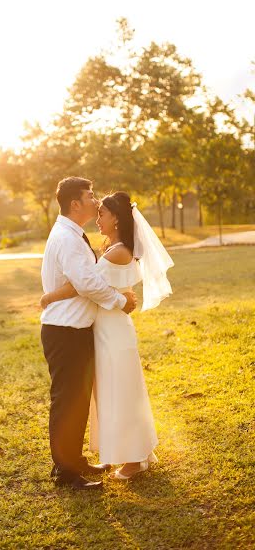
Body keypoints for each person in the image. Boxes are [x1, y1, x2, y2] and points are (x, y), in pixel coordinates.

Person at [41, 190, 174, 481]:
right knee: (113, 394)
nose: (98, 217)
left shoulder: (118, 251)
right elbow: (90, 283)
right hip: (104, 331)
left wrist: (50, 296)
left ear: (116, 218)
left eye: (102, 213)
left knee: (122, 394)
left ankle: (135, 458)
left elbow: (84, 285)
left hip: (113, 333)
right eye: (97, 210)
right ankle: (128, 453)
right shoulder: (112, 247)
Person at [40, 178, 137, 490]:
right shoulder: (67, 238)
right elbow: (87, 283)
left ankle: (74, 461)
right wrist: (120, 300)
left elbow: (84, 280)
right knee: (67, 401)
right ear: (75, 204)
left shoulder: (70, 233)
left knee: (77, 401)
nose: (96, 201)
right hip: (65, 331)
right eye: (90, 196)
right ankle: (66, 473)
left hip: (74, 329)